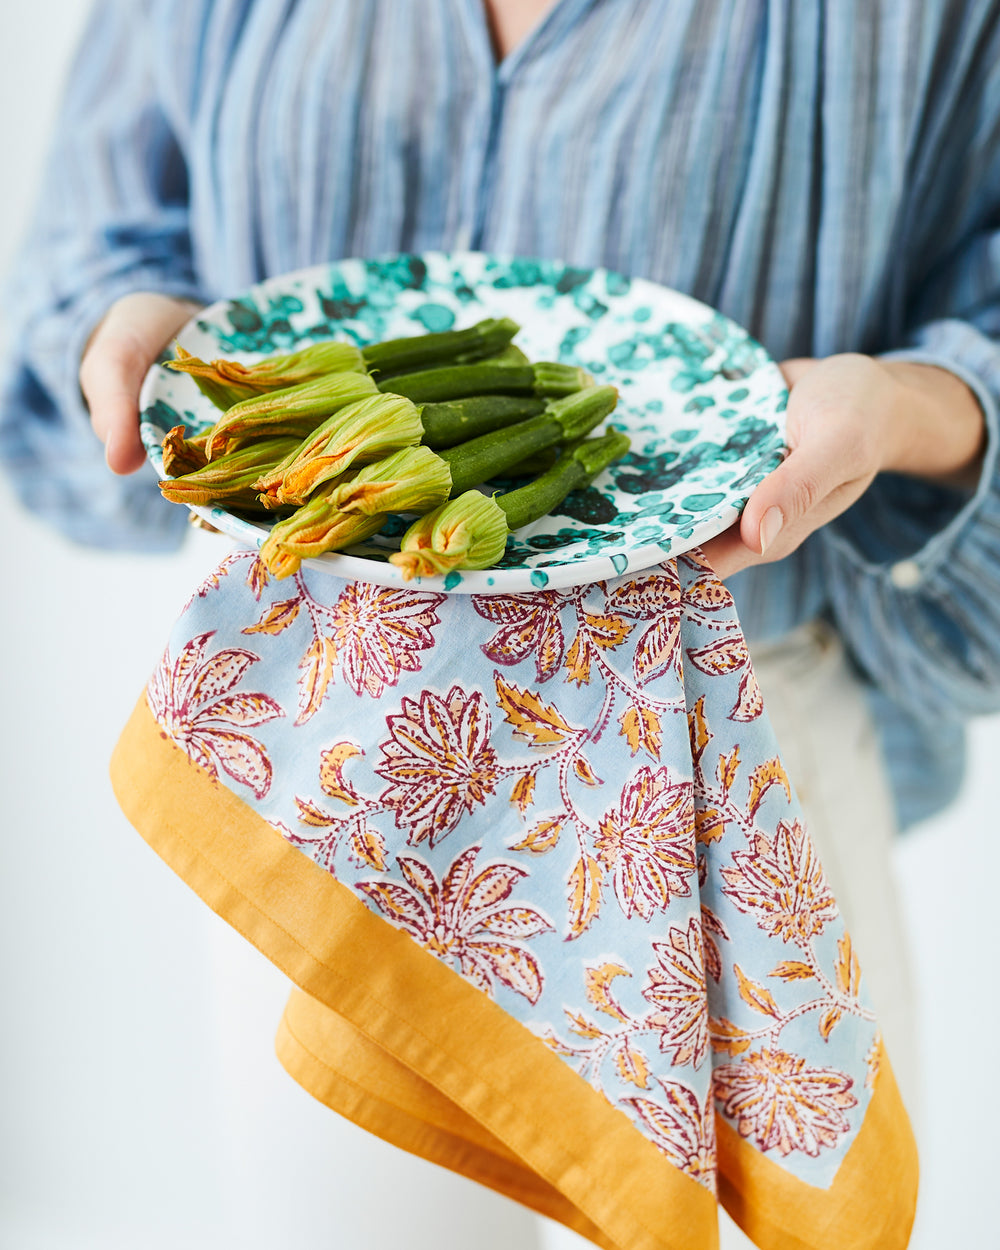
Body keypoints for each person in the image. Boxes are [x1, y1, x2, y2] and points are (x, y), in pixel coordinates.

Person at [3, 0, 1000, 1184]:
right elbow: (97, 242)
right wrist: (144, 341)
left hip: (713, 743)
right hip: (321, 742)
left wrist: (918, 406)